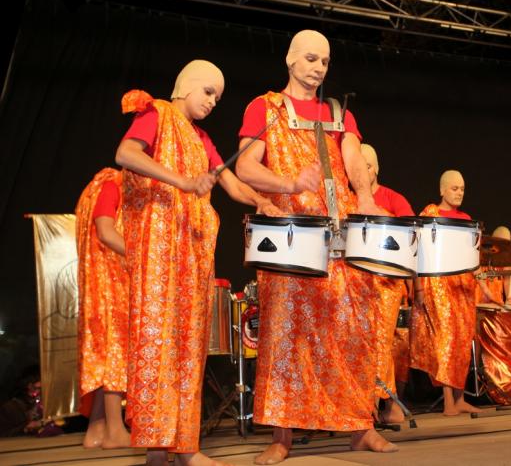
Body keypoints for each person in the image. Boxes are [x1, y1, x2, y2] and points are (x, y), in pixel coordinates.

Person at [235, 30, 396, 465]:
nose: (318, 68)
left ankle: (360, 428)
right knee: (285, 333)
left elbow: (354, 159)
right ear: (290, 59)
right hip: (290, 235)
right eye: (310, 58)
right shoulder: (264, 108)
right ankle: (281, 437)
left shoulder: (338, 111)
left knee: (353, 329)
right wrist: (289, 183)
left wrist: (365, 199)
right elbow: (247, 166)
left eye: (324, 61)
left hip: (341, 230)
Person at [115, 59, 274, 466]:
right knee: (158, 342)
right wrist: (184, 182)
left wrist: (262, 201)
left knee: (189, 346)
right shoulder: (157, 114)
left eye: (218, 98)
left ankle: (186, 447)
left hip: (191, 256)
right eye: (208, 92)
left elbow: (229, 180)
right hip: (158, 253)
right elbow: (126, 153)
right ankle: (156, 449)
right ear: (186, 85)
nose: (212, 102)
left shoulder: (200, 137)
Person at [409, 169, 482, 416]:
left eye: (462, 189)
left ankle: (459, 397)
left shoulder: (466, 218)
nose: (459, 193)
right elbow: (417, 252)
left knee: (462, 341)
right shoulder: (429, 215)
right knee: (445, 341)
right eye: (454, 188)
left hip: (463, 288)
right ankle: (449, 401)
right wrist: (417, 287)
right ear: (442, 190)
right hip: (438, 286)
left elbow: (472, 255)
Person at [75, 168, 130, 449]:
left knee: (103, 352)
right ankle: (115, 429)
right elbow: (106, 231)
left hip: (100, 279)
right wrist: (143, 257)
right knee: (115, 352)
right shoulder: (113, 185)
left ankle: (96, 428)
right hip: (111, 279)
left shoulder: (99, 185)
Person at [360, 142, 412, 424]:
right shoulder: (349, 197)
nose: (362, 171)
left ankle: (382, 404)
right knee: (362, 343)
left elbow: (409, 238)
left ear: (376, 169)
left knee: (379, 340)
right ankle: (365, 406)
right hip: (358, 283)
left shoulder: (394, 198)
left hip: (387, 283)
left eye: (367, 166)